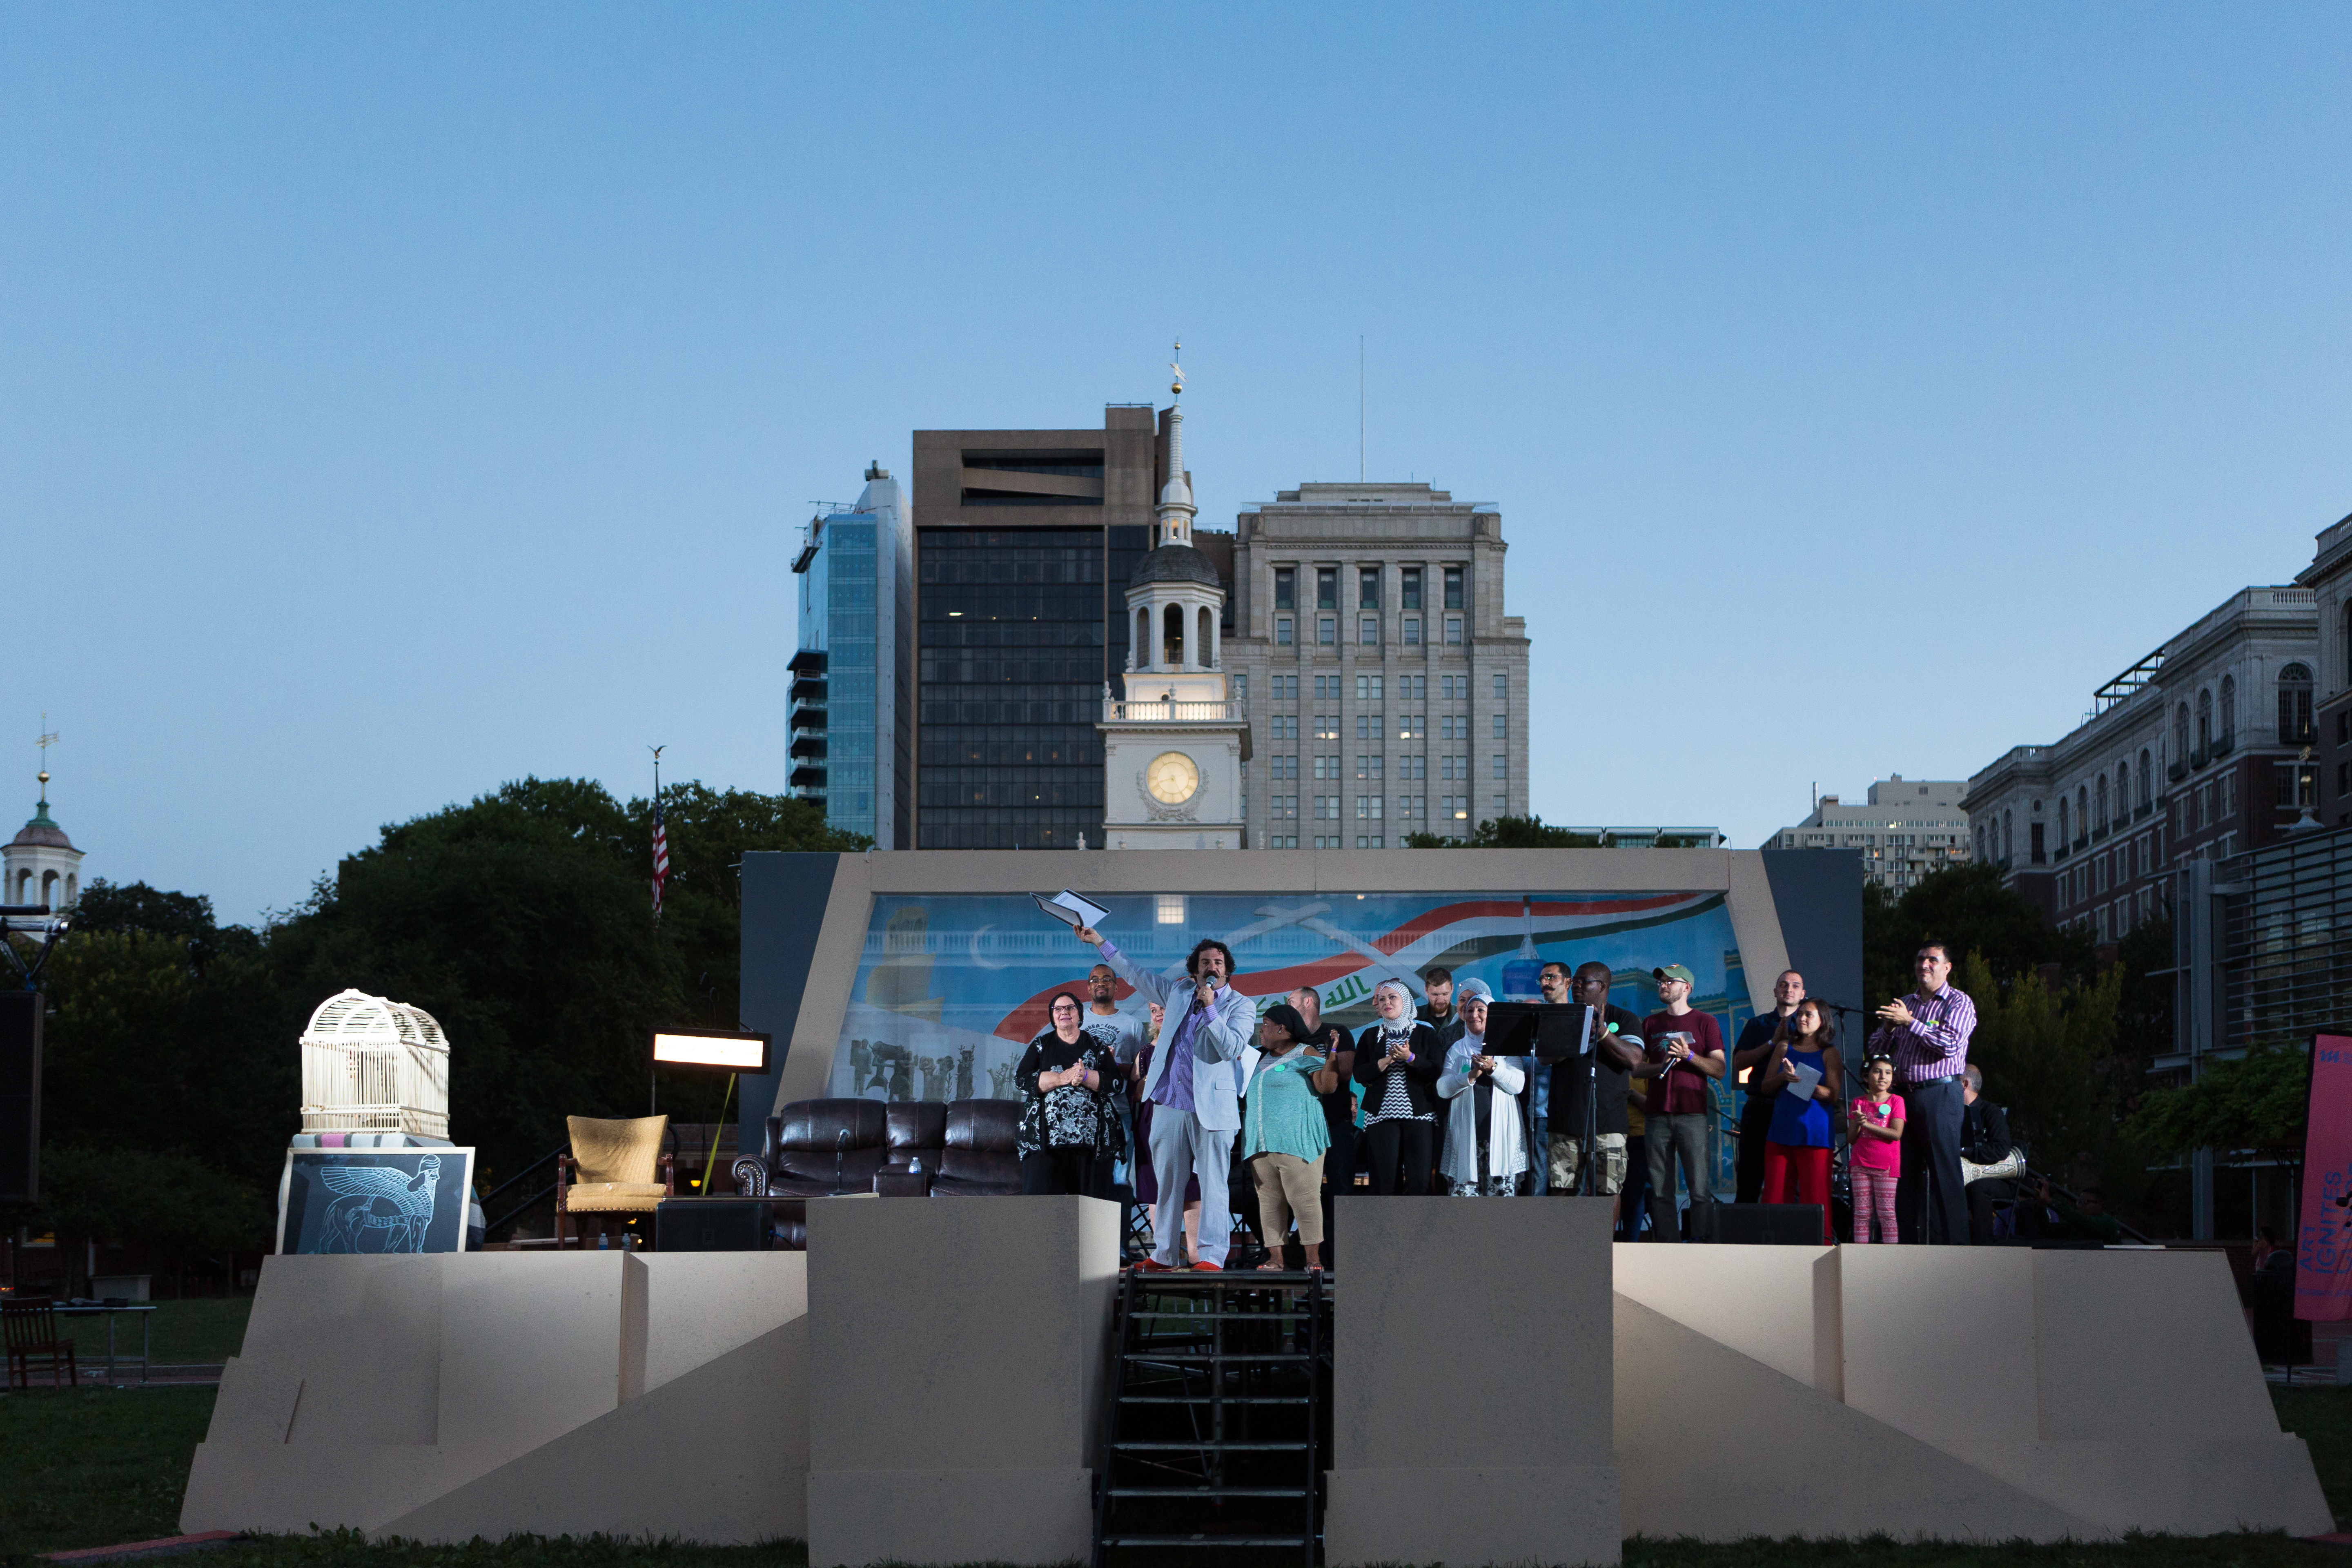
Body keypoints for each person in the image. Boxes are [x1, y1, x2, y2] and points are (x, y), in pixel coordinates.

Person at [1078, 922, 1254, 1271]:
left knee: (1213, 1184)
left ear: (1227, 969)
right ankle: (1164, 1255)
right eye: (1206, 962)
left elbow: (1232, 1047)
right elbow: (1136, 974)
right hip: (1170, 1101)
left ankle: (1211, 1257)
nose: (1212, 967)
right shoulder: (1177, 993)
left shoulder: (1242, 1005)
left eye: (1218, 962)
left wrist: (1212, 1010)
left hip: (1212, 1108)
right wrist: (1100, 941)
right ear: (1195, 969)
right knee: (1168, 1181)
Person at [1869, 941, 1977, 1245]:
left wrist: (1911, 1023)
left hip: (1940, 1095)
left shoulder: (1959, 1003)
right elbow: (1875, 1051)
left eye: (1932, 960)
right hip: (1902, 1097)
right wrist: (1890, 1029)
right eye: (1920, 960)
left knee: (1945, 1176)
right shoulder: (1905, 1003)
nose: (1924, 965)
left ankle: (1958, 1251)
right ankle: (1903, 1250)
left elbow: (1949, 1046)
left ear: (1947, 967)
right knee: (1902, 1179)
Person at [1543, 960, 1645, 1222]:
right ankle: (1561, 1253)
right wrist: (1576, 1031)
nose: (1576, 986)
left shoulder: (1625, 1019)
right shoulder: (1565, 1015)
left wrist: (1602, 1033)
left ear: (1602, 987)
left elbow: (1634, 1060)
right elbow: (1545, 1058)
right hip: (1566, 1118)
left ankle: (1603, 1253)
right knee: (1561, 1188)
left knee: (1608, 1189)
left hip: (1609, 1121)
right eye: (1575, 981)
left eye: (1583, 982)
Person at [1637, 963, 1725, 1241]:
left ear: (1687, 987)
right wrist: (1660, 1064)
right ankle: (1668, 1247)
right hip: (1656, 1115)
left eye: (1669, 981)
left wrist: (1689, 1057)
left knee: (1699, 1190)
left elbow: (1720, 1069)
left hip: (1692, 1115)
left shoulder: (1705, 1022)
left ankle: (1700, 1245)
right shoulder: (1651, 1023)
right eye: (1660, 982)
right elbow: (1637, 1069)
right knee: (1661, 1191)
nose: (1662, 985)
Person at [1243, 1003, 1330, 1270]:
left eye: (1266, 1024)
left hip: (1298, 1140)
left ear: (1283, 1028)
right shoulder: (1257, 1058)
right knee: (1269, 1201)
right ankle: (1276, 1259)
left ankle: (1313, 1260)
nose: (1262, 1030)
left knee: (1305, 1200)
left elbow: (1325, 1085)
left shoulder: (1305, 1052)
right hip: (1261, 1143)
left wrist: (1333, 1057)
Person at [1015, 992, 1119, 1195]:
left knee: (1090, 1209)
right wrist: (1061, 1078)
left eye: (1070, 1008)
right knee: (1042, 1207)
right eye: (1058, 1009)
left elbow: (1115, 1083)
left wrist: (1087, 1076)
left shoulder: (1097, 1047)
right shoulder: (1040, 1045)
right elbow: (1022, 1080)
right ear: (1053, 1017)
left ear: (1079, 1014)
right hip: (1044, 1141)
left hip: (1091, 1143)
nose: (1065, 1012)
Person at [1758, 999, 1842, 1245]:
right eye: (1800, 1015)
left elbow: (1832, 1095)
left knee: (1816, 1200)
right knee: (1774, 1199)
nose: (1802, 1019)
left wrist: (1801, 1080)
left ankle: (1821, 1250)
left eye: (1809, 1015)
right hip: (1781, 1131)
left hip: (1814, 1135)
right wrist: (1784, 1077)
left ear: (1822, 1021)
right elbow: (1765, 1087)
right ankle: (1772, 1254)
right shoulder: (1784, 1047)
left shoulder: (1830, 1053)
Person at [1435, 980, 1528, 1196]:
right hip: (1465, 1139)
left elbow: (1518, 1085)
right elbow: (1443, 1088)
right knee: (1465, 1211)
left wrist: (1494, 1068)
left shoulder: (1507, 1046)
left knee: (1499, 1209)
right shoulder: (1457, 1049)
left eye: (1481, 1010)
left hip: (1501, 1139)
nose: (1474, 1014)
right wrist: (1470, 1075)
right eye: (1469, 1010)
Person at [1353, 978, 1444, 1193]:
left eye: (1393, 997)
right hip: (1381, 1116)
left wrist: (1410, 1057)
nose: (1387, 1002)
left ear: (1405, 1001)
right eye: (1382, 999)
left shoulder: (1425, 1032)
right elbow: (1359, 1075)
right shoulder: (1370, 1036)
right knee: (1384, 1182)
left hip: (1419, 1115)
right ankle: (1387, 1227)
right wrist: (1386, 1061)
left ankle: (1416, 1228)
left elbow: (1436, 1070)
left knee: (1419, 1182)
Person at [1731, 971, 1806, 1204]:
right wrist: (1772, 1042)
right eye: (1783, 985)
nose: (1789, 989)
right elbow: (1740, 1063)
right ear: (1775, 991)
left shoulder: (1808, 1026)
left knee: (1788, 1182)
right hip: (1758, 1109)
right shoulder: (1758, 1024)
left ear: (1803, 994)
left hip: (1791, 1108)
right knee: (1749, 1180)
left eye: (1795, 986)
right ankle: (1742, 1238)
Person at [1289, 985, 1355, 1251]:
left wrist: (1319, 1062)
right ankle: (1309, 1257)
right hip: (1302, 1129)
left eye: (1291, 1001)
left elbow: (1347, 1072)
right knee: (1304, 1194)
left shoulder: (1336, 1032)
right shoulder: (1290, 1039)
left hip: (1336, 1125)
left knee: (1342, 1192)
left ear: (1308, 1002)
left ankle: (1346, 1255)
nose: (1287, 1005)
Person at [1084, 962, 1147, 1196]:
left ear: (1117, 987)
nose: (1101, 983)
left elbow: (1142, 1070)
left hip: (1121, 1111)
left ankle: (1116, 1233)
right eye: (1095, 980)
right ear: (1089, 988)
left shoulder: (1132, 1025)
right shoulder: (1076, 1021)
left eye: (1107, 979)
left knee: (1118, 1180)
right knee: (1086, 1179)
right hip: (1084, 1112)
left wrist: (1113, 1066)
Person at [1848, 1056, 1904, 1244]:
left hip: (1886, 1166)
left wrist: (1868, 1125)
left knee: (1887, 1214)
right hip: (1860, 1164)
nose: (1883, 1076)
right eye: (1877, 1071)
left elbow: (1896, 1134)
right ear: (1866, 1076)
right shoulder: (1858, 1102)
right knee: (1862, 1214)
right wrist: (1858, 1123)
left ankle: (1890, 1260)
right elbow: (1850, 1138)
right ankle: (1860, 1257)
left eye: (1888, 1073)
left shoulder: (1896, 1101)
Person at [1960, 1065, 2015, 1245]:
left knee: (1979, 1189)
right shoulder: (1954, 1113)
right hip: (1962, 1177)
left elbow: (2001, 1149)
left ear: (1964, 1084)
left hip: (1997, 1178)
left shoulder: (1992, 1112)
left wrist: (1966, 1153)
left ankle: (1984, 1246)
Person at [1419, 967, 1461, 1046]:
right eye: (1435, 995)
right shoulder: (1413, 1017)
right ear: (1426, 990)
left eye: (1445, 994)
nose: (1440, 1000)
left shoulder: (1462, 1018)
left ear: (1452, 989)